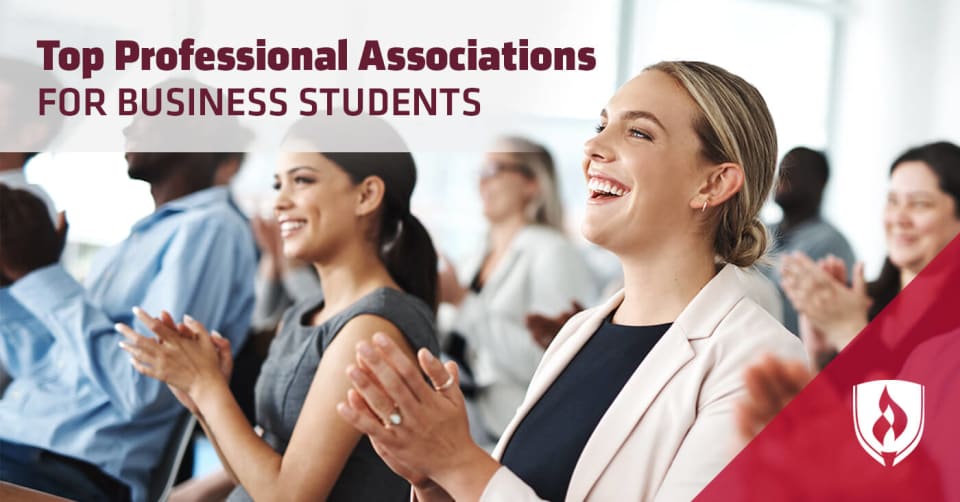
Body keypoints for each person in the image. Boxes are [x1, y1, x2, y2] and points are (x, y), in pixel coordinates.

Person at [337, 60, 807, 501]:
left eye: (639, 132)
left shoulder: (767, 364)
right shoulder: (579, 334)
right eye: (601, 126)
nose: (592, 148)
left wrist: (460, 463)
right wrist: (436, 480)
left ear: (713, 184)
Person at [118, 116, 442, 501]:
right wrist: (202, 393)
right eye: (278, 184)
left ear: (366, 195)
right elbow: (258, 470)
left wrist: (208, 390)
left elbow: (289, 496)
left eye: (302, 180)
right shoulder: (305, 312)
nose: (280, 202)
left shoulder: (371, 327)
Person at [0, 146, 257, 500]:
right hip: (17, 440)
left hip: (64, 465)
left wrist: (43, 277)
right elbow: (40, 366)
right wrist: (17, 278)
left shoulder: (210, 229)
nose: (129, 126)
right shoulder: (132, 241)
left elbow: (145, 389)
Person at [438, 136, 597, 444]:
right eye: (480, 171)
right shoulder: (474, 257)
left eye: (495, 169)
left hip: (509, 433)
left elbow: (548, 360)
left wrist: (461, 302)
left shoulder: (554, 253)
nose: (482, 182)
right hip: (464, 423)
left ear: (532, 184)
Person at [780, 141, 960, 368]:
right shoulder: (864, 304)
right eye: (893, 201)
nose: (899, 218)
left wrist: (851, 334)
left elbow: (915, 403)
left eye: (920, 204)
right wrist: (820, 356)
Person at [764, 147, 855, 333]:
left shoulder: (831, 244)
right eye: (781, 168)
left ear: (818, 183)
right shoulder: (762, 232)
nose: (782, 175)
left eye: (794, 170)